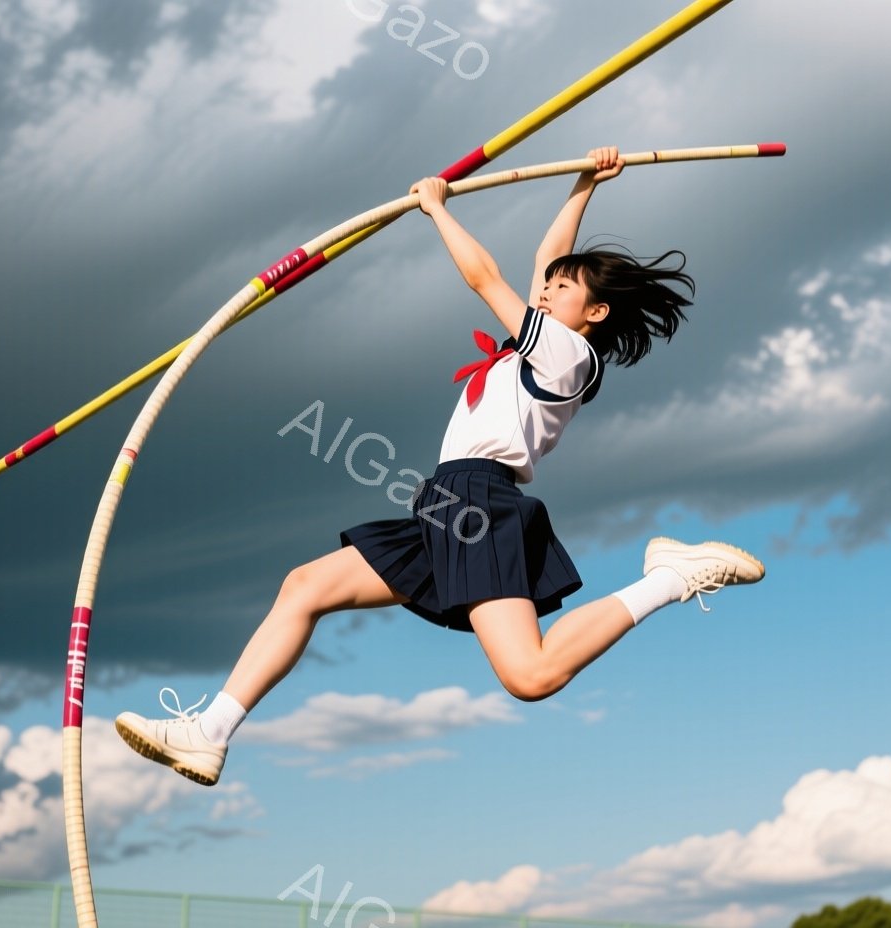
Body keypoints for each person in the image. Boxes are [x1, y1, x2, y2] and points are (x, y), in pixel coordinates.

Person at [114, 147, 765, 786]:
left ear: (594, 313)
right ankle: (212, 733)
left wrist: (438, 208)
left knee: (530, 676)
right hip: (445, 502)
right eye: (548, 285)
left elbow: (487, 280)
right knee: (305, 586)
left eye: (562, 289)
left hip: (480, 504)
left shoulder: (569, 358)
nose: (544, 289)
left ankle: (671, 577)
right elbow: (545, 262)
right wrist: (583, 185)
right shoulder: (542, 342)